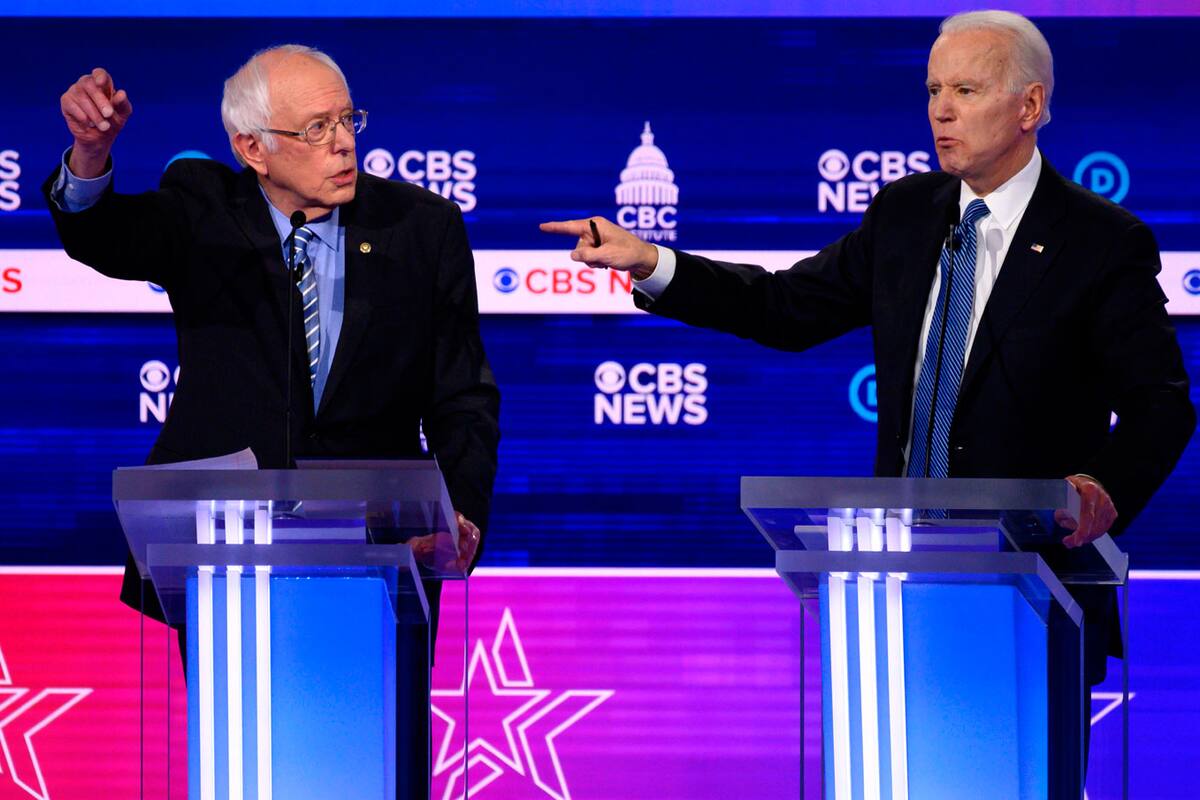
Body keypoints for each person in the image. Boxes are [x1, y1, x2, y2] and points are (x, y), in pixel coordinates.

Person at [543, 7, 1194, 784]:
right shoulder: (905, 217)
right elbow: (784, 309)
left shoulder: (1099, 240)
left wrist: (1101, 489)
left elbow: (1162, 404)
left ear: (1029, 106)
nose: (941, 110)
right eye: (931, 90)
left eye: (965, 89)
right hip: (895, 588)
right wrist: (652, 261)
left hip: (1033, 594)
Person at [46, 44, 500, 797]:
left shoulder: (423, 228)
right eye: (315, 128)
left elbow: (462, 395)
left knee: (379, 766)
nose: (344, 142)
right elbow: (102, 236)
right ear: (251, 148)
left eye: (347, 119)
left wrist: (463, 513)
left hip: (386, 554)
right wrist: (90, 154)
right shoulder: (201, 210)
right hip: (227, 553)